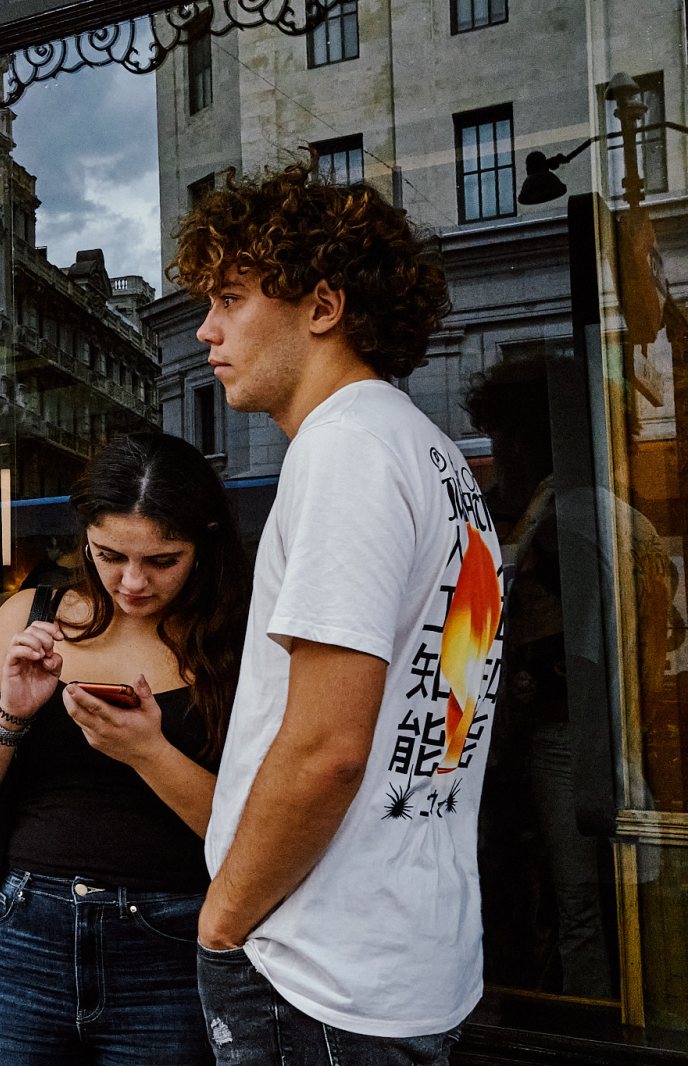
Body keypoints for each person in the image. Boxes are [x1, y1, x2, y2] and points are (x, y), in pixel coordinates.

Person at [173, 162, 503, 1062]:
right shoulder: (427, 455)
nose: (206, 330)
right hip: (402, 964)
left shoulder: (345, 452)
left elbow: (328, 749)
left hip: (319, 976)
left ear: (323, 306)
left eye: (232, 298)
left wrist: (223, 921)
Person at [0, 431, 249, 1066]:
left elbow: (256, 835)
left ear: (205, 542)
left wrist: (148, 751)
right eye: (109, 555)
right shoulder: (31, 615)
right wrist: (12, 712)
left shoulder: (236, 640)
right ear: (84, 539)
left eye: (163, 560)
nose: (132, 583)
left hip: (173, 941)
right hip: (27, 935)